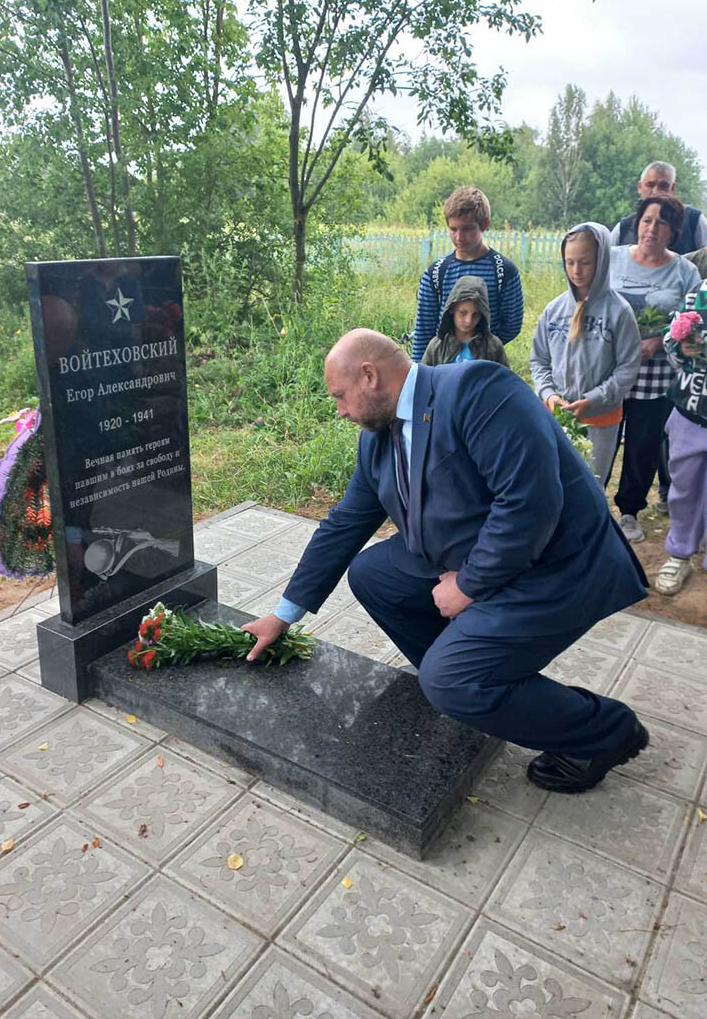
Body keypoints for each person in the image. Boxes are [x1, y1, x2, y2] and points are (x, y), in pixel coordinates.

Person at [242, 329, 650, 794]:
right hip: (481, 557)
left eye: (340, 396)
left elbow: (529, 505)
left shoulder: (479, 392)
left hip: (557, 567)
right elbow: (343, 526)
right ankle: (474, 675)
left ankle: (606, 731)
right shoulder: (377, 439)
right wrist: (283, 615)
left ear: (369, 376)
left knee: (450, 682)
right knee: (374, 575)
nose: (340, 412)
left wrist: (470, 585)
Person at [653, 215, 707, 622]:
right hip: (689, 411)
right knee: (682, 491)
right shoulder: (700, 292)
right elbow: (672, 337)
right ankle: (680, 552)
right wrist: (679, 346)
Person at [608, 196, 701, 543]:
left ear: (674, 231)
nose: (652, 229)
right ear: (637, 223)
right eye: (647, 220)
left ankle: (630, 510)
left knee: (643, 445)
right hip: (610, 368)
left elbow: (692, 323)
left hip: (656, 373)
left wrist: (659, 342)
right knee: (602, 439)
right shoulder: (613, 259)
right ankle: (589, 501)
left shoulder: (685, 272)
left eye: (661, 223)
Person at [531, 223, 640, 486]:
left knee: (591, 486)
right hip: (558, 416)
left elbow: (627, 368)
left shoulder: (619, 312)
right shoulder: (554, 310)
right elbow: (539, 360)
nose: (576, 271)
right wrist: (549, 394)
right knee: (555, 482)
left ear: (601, 262)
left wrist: (593, 399)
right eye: (569, 262)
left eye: (585, 263)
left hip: (600, 420)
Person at [411, 187, 523, 362]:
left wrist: (481, 347)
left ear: (484, 225)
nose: (459, 237)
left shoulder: (504, 271)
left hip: (485, 369)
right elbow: (423, 331)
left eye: (467, 229)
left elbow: (512, 324)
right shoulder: (436, 273)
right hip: (442, 368)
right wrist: (420, 378)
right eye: (453, 229)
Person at [610, 161, 707, 255]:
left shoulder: (694, 221)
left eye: (663, 186)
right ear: (639, 187)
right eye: (650, 185)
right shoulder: (623, 228)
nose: (656, 192)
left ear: (673, 188)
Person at [420, 275, 509, 368]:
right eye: (463, 313)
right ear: (452, 310)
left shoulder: (493, 346)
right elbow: (424, 379)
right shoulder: (437, 346)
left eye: (475, 314)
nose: (468, 321)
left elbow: (505, 379)